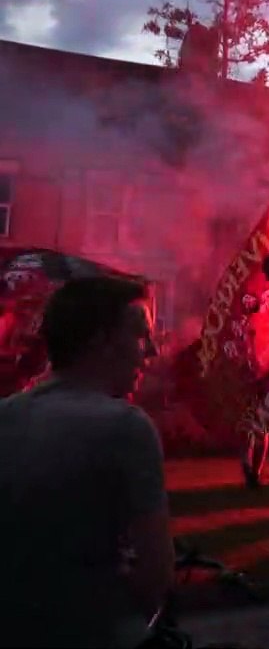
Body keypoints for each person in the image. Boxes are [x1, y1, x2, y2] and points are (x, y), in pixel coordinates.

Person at [0, 277, 172, 648]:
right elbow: (155, 570)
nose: (152, 351)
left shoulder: (6, 416)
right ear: (101, 340)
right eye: (141, 336)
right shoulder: (126, 428)